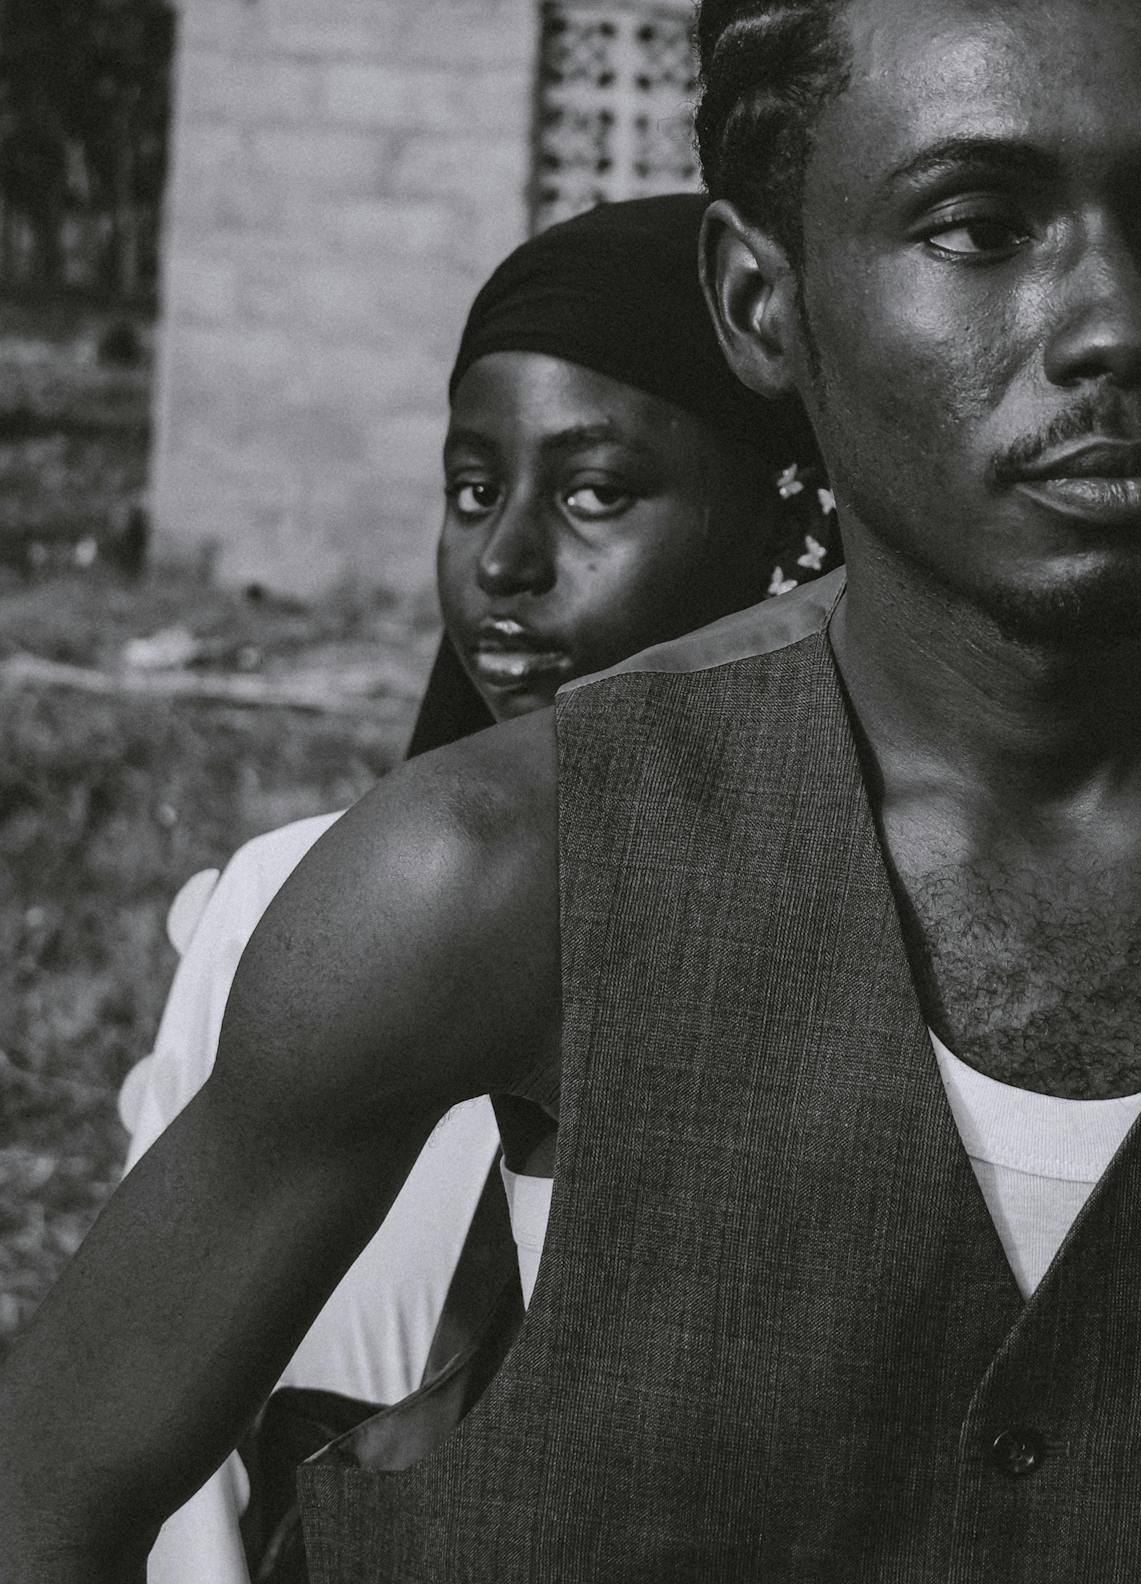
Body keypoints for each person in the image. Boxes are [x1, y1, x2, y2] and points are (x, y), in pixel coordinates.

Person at [1, 0, 1141, 1582]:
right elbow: (49, 1494)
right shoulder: (490, 871)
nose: (1119, 324)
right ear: (761, 304)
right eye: (976, 224)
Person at [109, 192, 830, 1583]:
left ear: (788, 527)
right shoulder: (287, 912)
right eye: (470, 488)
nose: (501, 566)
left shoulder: (860, 973)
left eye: (594, 492)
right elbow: (158, 1464)